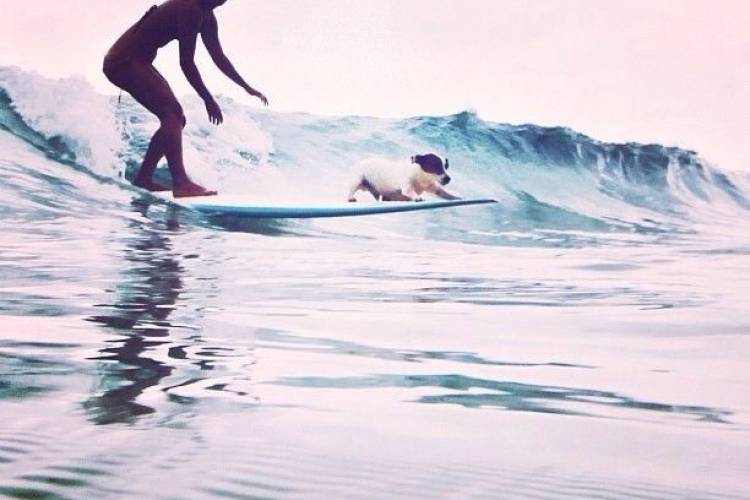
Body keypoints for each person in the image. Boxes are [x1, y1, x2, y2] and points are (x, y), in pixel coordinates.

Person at [103, 0, 268, 197]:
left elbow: (218, 57)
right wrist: (208, 99)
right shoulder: (191, 9)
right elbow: (186, 63)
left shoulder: (206, 16)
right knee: (172, 113)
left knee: (176, 118)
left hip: (137, 61)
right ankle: (181, 183)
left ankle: (144, 179)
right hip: (123, 61)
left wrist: (246, 87)